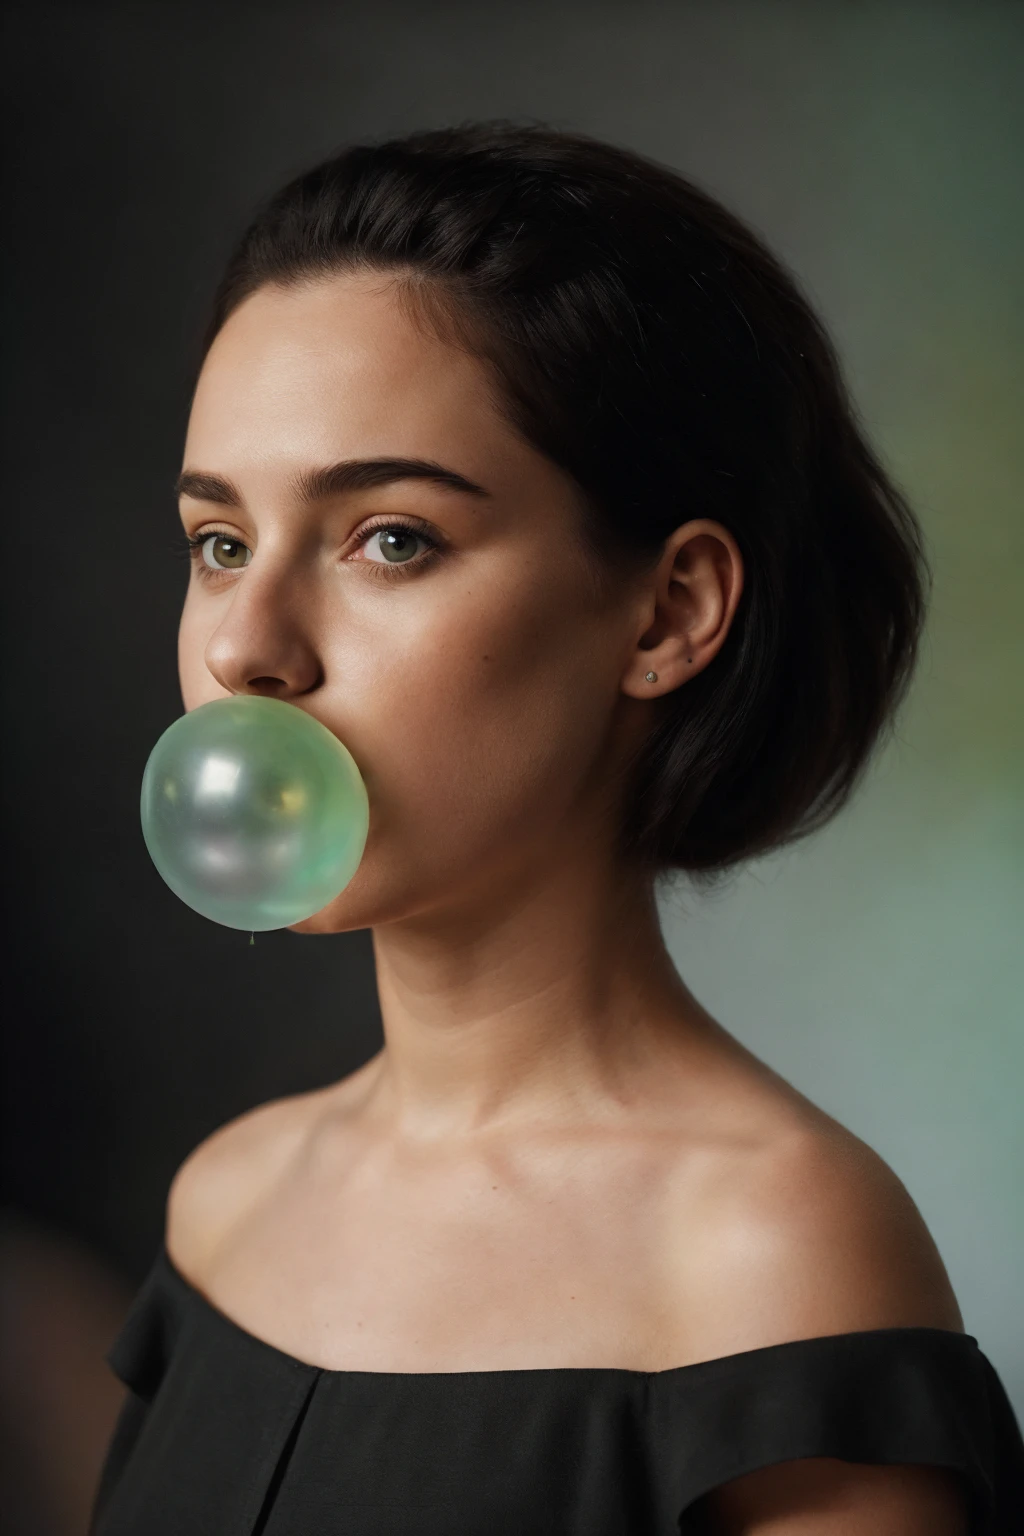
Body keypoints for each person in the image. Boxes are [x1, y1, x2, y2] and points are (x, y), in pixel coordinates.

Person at [89, 120, 1023, 1534]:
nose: (247, 651)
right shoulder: (225, 1203)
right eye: (221, 543)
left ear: (668, 613)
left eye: (388, 537)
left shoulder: (774, 1258)